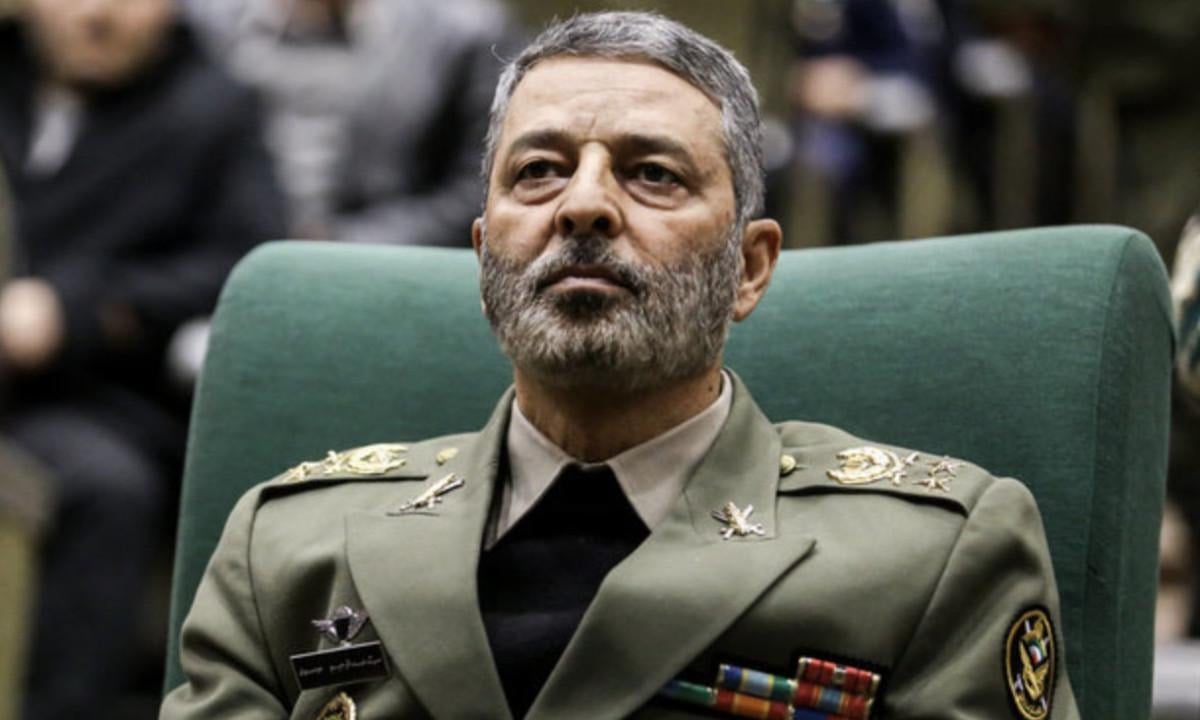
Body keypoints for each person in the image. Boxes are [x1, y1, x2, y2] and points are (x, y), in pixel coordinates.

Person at [162, 11, 1078, 719]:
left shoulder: (931, 556)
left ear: (749, 269)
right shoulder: (289, 547)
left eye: (652, 174)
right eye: (539, 171)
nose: (583, 206)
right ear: (484, 258)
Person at [0, 0, 285, 717]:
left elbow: (247, 261)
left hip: (91, 398)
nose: (96, 13)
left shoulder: (213, 107)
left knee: (106, 490)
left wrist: (76, 309)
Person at [184, 0, 521, 245]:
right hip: (222, 256)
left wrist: (342, 244)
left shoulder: (463, 31)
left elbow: (482, 186)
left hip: (376, 258)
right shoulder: (203, 24)